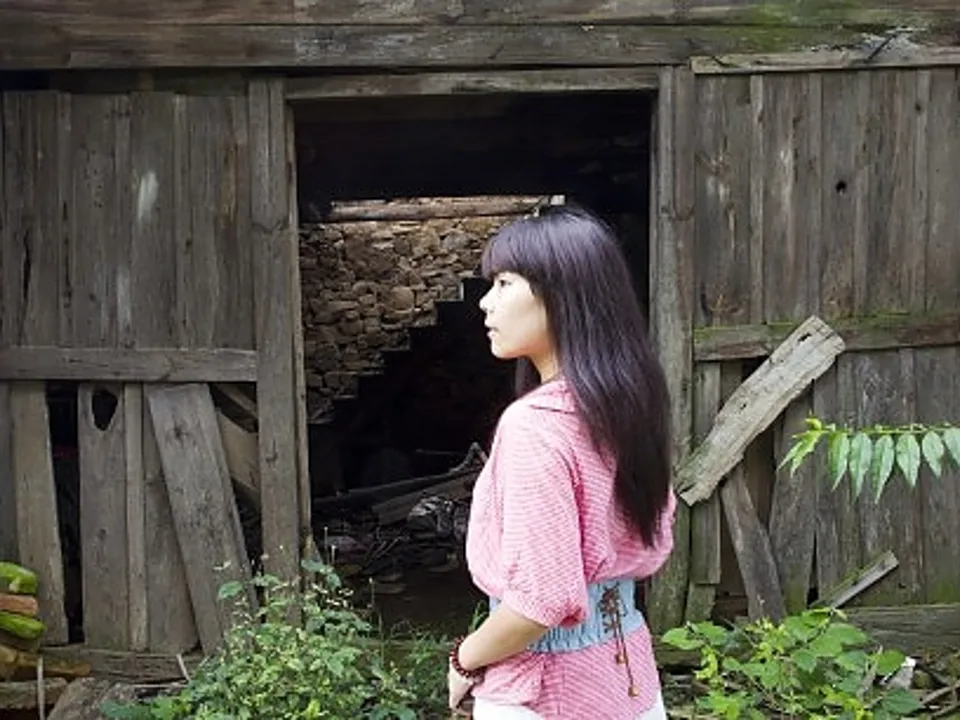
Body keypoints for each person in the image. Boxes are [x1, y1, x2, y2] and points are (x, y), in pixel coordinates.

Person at [447, 204, 677, 719]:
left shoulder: (535, 426)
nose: (485, 302)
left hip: (544, 692)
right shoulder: (631, 407)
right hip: (630, 681)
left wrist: (464, 659)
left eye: (504, 283)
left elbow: (540, 603)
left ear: (561, 295)